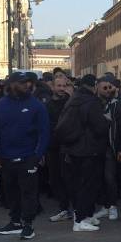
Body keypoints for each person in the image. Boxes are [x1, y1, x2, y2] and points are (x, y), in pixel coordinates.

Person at [0, 72, 50, 239]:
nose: (27, 85)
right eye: (23, 83)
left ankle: (28, 224)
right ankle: (15, 222)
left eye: (28, 82)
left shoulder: (37, 105)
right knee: (10, 191)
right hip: (6, 157)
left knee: (28, 191)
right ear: (12, 84)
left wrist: (38, 154)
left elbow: (44, 133)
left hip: (28, 156)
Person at [57, 75, 109, 232]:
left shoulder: (73, 99)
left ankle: (85, 215)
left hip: (73, 148)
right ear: (93, 85)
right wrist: (107, 120)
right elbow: (99, 127)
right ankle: (80, 220)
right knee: (86, 185)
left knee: (79, 184)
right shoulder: (90, 102)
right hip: (88, 149)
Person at [93, 76, 121, 222]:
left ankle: (112, 206)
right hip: (95, 147)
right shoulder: (94, 104)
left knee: (109, 178)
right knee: (99, 178)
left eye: (109, 87)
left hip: (110, 146)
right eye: (104, 88)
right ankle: (105, 206)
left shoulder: (117, 105)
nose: (108, 90)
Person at [46, 77, 72, 222]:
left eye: (64, 85)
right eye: (59, 85)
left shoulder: (70, 102)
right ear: (53, 87)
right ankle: (64, 208)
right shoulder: (48, 104)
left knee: (68, 178)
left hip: (67, 147)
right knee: (55, 179)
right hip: (53, 147)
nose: (62, 88)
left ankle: (71, 209)